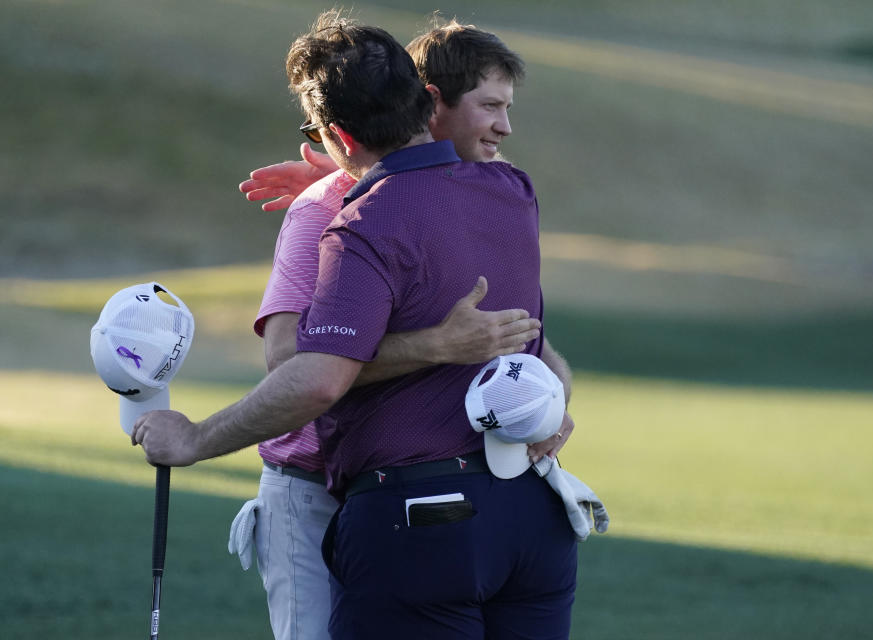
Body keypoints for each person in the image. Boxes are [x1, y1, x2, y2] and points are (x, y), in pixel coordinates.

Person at [134, 12, 577, 639]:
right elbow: (526, 334)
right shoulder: (513, 190)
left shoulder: (360, 221)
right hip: (533, 519)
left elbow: (314, 379)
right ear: (423, 103)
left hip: (415, 522)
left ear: (336, 131)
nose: (504, 123)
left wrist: (193, 441)